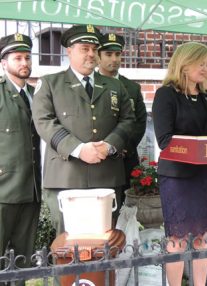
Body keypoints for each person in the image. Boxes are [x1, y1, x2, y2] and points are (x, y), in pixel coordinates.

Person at [32, 24, 135, 235]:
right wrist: (79, 149)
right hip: (66, 178)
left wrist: (110, 145)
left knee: (104, 245)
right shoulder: (50, 83)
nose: (91, 54)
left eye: (94, 49)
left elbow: (128, 120)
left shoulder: (115, 86)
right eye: (84, 48)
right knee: (68, 248)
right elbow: (44, 121)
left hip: (106, 176)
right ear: (69, 51)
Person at [152, 42, 207, 286]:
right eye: (201, 64)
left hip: (204, 176)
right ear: (184, 64)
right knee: (177, 239)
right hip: (178, 177)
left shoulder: (205, 97)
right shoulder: (166, 95)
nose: (206, 69)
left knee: (202, 237)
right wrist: (201, 144)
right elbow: (164, 140)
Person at [0, 33, 41, 285]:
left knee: (22, 260)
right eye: (17, 58)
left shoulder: (37, 95)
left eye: (27, 57)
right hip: (3, 191)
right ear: (3, 63)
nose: (24, 62)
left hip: (32, 189)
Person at [97, 33, 147, 207]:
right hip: (98, 159)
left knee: (126, 208)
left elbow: (139, 122)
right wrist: (104, 148)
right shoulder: (90, 85)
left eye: (118, 54)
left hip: (125, 158)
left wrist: (123, 147)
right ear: (98, 56)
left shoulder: (132, 87)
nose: (115, 59)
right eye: (109, 54)